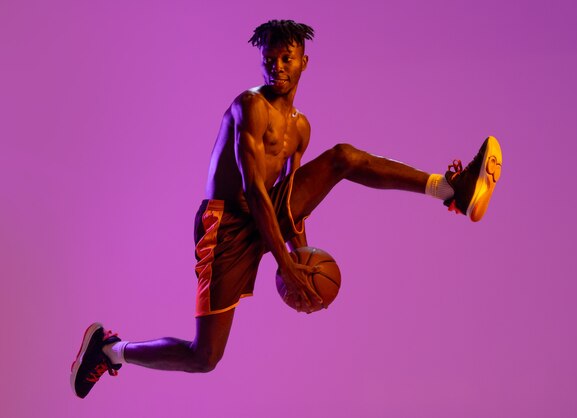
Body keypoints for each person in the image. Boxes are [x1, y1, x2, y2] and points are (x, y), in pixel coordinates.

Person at [70, 19, 502, 399]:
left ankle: (449, 189)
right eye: (269, 59)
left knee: (343, 158)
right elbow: (257, 194)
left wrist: (301, 257)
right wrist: (286, 264)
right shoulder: (249, 108)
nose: (277, 67)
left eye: (286, 58)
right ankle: (111, 350)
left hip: (263, 216)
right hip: (225, 225)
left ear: (303, 62)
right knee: (205, 357)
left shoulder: (300, 128)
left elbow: (290, 202)